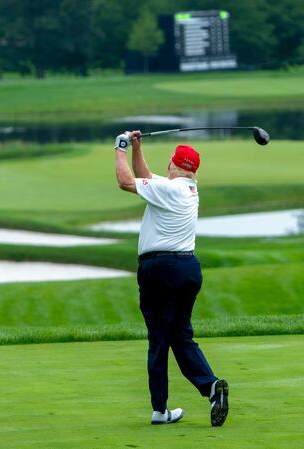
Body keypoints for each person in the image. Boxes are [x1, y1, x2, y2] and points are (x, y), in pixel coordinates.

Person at [113, 130, 229, 427]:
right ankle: (212, 387)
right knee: (180, 335)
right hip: (188, 269)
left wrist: (121, 147)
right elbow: (145, 176)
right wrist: (138, 147)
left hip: (160, 269)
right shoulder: (187, 189)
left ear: (172, 164)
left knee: (159, 340)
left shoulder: (170, 190)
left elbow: (127, 181)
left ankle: (160, 410)